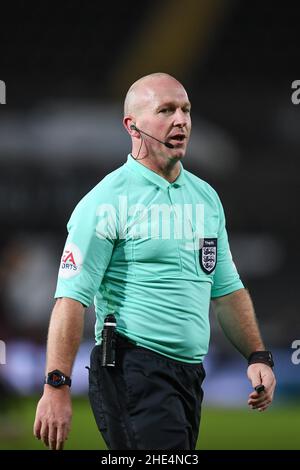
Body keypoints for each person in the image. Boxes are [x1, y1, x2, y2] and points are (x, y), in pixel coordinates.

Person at [33, 72, 276, 451]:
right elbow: (71, 299)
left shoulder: (206, 197)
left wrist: (257, 355)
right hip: (132, 371)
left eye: (185, 110)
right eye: (166, 110)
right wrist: (56, 385)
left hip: (190, 375)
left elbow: (227, 290)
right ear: (132, 126)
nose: (180, 119)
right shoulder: (104, 202)